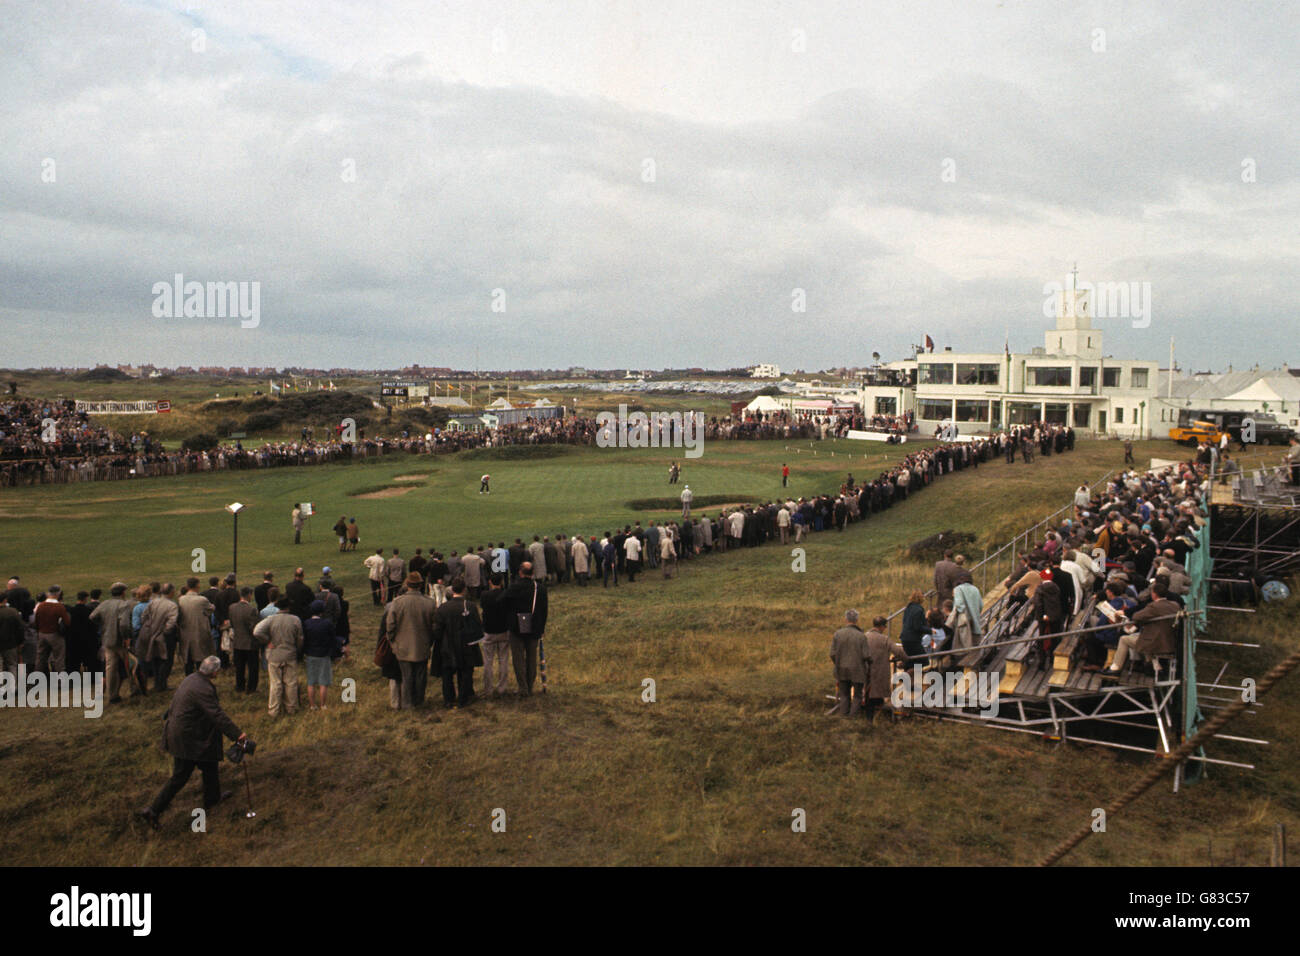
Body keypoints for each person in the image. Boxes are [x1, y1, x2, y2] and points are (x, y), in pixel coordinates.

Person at [138, 656, 246, 830]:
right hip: (187, 738)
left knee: (209, 765)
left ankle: (212, 799)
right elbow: (217, 715)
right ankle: (153, 810)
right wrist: (238, 735)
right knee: (180, 776)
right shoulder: (203, 688)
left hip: (184, 733)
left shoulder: (191, 679)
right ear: (215, 672)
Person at [385, 572, 435, 708]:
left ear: (407, 584)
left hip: (402, 646)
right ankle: (419, 700)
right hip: (422, 645)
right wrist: (430, 641)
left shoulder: (397, 602)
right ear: (420, 585)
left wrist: (392, 641)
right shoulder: (430, 603)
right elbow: (434, 626)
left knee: (406, 677)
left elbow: (390, 626)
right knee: (421, 676)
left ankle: (408, 702)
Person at [433, 577, 483, 708]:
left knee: (447, 675)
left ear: (452, 590)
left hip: (447, 646)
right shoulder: (471, 606)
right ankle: (464, 698)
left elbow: (437, 630)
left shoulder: (443, 608)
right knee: (466, 673)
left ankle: (448, 699)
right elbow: (478, 625)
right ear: (464, 589)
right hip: (466, 645)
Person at [253, 598, 304, 717]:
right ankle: (291, 708)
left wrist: (267, 641)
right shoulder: (295, 619)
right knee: (290, 682)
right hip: (290, 653)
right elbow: (300, 638)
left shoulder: (271, 619)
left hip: (274, 654)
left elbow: (257, 631)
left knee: (275, 683)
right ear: (288, 607)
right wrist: (297, 648)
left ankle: (273, 710)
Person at [506, 563, 548, 696]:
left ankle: (522, 687)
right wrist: (542, 627)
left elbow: (502, 601)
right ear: (533, 572)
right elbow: (544, 610)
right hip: (535, 626)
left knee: (518, 658)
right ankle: (530, 686)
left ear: (520, 573)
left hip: (516, 626)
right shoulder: (540, 589)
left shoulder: (514, 587)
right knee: (532, 658)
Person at [90, 582, 133, 702]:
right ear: (123, 592)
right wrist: (126, 637)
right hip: (120, 641)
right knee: (130, 666)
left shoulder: (104, 604)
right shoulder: (123, 605)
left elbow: (92, 617)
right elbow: (124, 624)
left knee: (110, 668)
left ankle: (112, 695)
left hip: (107, 640)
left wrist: (104, 626)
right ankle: (134, 689)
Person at [829, 610, 870, 717]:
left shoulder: (837, 634)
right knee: (857, 695)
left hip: (841, 669)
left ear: (845, 619)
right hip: (858, 669)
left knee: (844, 694)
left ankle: (843, 713)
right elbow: (866, 655)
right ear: (857, 620)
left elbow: (832, 653)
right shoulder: (861, 636)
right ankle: (853, 716)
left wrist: (838, 663)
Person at [302, 600, 342, 711]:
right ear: (322, 612)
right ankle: (323, 705)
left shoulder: (306, 623)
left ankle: (312, 705)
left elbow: (304, 640)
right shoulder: (327, 623)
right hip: (324, 655)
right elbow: (333, 639)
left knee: (311, 682)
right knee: (323, 682)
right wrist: (334, 653)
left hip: (310, 655)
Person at [479, 573, 513, 697]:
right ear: (502, 582)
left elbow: (483, 607)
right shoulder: (506, 595)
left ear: (490, 582)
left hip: (489, 630)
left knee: (488, 661)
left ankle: (488, 689)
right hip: (503, 630)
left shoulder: (484, 595)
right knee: (503, 660)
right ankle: (502, 688)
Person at [177, 577, 215, 675]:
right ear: (197, 585)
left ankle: (189, 677)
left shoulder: (181, 599)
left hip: (185, 632)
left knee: (188, 658)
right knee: (200, 657)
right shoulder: (202, 600)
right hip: (199, 632)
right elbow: (211, 609)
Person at [227, 587, 260, 694]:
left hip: (237, 642)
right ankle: (251, 688)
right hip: (250, 643)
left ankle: (239, 686)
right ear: (249, 595)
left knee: (239, 667)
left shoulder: (232, 608)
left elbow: (231, 623)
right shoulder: (251, 610)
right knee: (253, 668)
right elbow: (254, 628)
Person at [33, 585, 71, 675]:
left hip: (42, 633)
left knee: (40, 658)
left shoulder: (41, 606)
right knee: (59, 659)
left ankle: (35, 681)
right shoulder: (59, 606)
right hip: (55, 634)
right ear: (58, 594)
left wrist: (39, 632)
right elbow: (67, 622)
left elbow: (36, 621)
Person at [863, 616, 892, 720]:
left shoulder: (865, 636)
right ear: (881, 626)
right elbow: (898, 651)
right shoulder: (884, 639)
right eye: (884, 627)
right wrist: (906, 659)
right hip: (879, 670)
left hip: (865, 669)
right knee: (876, 693)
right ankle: (873, 718)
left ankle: (869, 718)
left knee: (868, 693)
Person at [0, 592, 24, 678]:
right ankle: (12, 688)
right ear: (5, 600)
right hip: (10, 644)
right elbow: (20, 628)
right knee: (12, 665)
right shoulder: (12, 612)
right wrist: (21, 641)